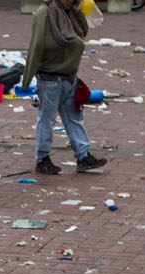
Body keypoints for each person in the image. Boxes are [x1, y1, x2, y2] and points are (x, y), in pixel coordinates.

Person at [23, 0, 106, 175]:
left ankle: (83, 156)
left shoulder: (68, 13)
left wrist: (77, 12)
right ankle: (42, 158)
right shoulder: (44, 13)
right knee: (47, 119)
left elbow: (82, 31)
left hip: (69, 77)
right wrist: (27, 78)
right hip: (50, 78)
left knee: (74, 118)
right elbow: (37, 45)